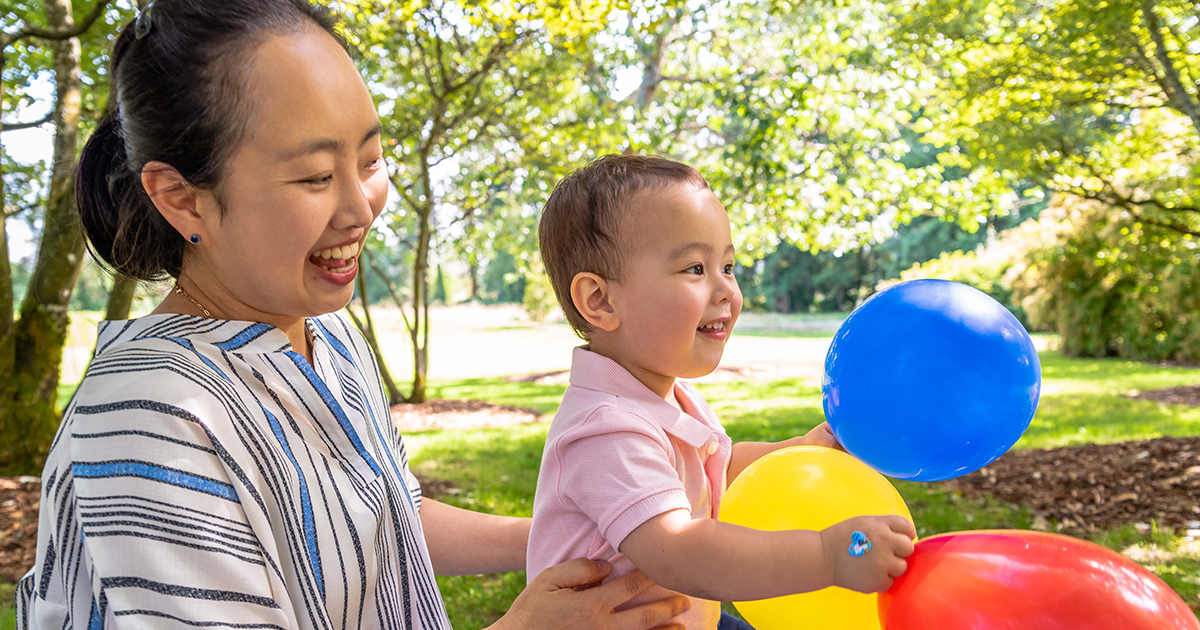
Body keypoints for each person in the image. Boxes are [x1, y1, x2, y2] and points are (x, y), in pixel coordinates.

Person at [16, 2, 691, 629]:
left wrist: (589, 542)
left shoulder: (327, 334)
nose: (362, 207)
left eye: (369, 159)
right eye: (314, 176)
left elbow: (385, 518)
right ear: (183, 199)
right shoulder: (148, 416)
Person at [528, 155, 917, 630]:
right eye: (695, 268)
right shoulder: (605, 429)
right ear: (600, 300)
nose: (727, 291)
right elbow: (679, 549)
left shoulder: (668, 395)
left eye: (727, 265)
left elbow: (714, 470)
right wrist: (826, 555)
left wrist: (795, 450)